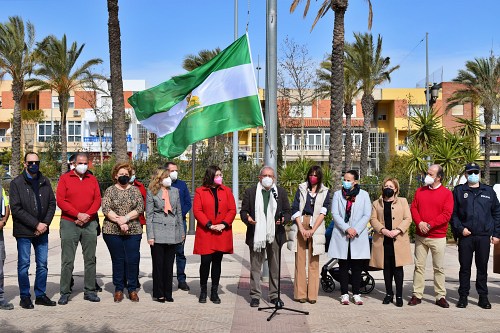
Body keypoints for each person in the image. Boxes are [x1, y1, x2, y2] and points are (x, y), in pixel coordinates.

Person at [9, 152, 57, 309]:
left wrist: (45, 224)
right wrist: (36, 224)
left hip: (43, 230)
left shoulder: (45, 181)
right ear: (24, 164)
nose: (34, 165)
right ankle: (25, 296)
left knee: (42, 264)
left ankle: (41, 295)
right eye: (30, 162)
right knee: (24, 265)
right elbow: (16, 208)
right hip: (24, 231)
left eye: (36, 162)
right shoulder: (16, 183)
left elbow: (51, 204)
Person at [240, 166, 291, 307]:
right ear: (260, 178)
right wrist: (248, 218)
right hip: (256, 234)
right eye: (265, 175)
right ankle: (255, 295)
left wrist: (283, 220)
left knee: (274, 267)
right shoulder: (251, 192)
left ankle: (274, 295)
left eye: (271, 176)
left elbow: (287, 212)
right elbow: (243, 212)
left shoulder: (280, 192)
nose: (268, 178)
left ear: (274, 178)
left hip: (275, 234)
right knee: (256, 267)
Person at [451, 163, 500, 309]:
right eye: (470, 172)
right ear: (465, 174)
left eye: (475, 172)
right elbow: (453, 214)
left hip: (483, 236)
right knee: (464, 268)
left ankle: (483, 297)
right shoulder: (459, 191)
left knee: (482, 268)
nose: (473, 174)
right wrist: (460, 229)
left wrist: (496, 233)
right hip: (466, 236)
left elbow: (497, 213)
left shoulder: (489, 191)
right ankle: (463, 296)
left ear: (479, 173)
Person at [56, 152, 101, 305]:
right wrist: (77, 214)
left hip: (89, 223)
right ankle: (65, 292)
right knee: (67, 260)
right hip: (69, 222)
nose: (83, 165)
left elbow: (97, 200)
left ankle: (90, 290)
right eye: (80, 163)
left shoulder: (92, 179)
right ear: (74, 164)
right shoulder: (65, 178)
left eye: (85, 163)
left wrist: (87, 215)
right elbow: (60, 200)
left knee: (90, 259)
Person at [409, 164, 453, 308]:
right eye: (427, 173)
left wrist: (429, 224)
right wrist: (419, 223)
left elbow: (446, 214)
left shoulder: (447, 193)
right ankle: (417, 294)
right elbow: (414, 208)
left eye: (431, 174)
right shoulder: (420, 191)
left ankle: (440, 296)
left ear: (439, 177)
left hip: (438, 236)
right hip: (421, 236)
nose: (427, 176)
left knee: (438, 268)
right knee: (419, 267)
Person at [102, 163, 144, 303]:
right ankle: (119, 288)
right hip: (112, 230)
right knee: (118, 259)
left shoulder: (135, 191)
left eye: (126, 174)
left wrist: (126, 219)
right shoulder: (110, 190)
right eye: (121, 174)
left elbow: (139, 208)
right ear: (115, 175)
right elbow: (106, 208)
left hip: (133, 229)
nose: (124, 176)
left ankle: (132, 288)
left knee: (132, 259)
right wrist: (120, 222)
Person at [193, 165, 236, 304]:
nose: (220, 177)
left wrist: (223, 224)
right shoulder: (200, 191)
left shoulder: (227, 191)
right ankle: (203, 290)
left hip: (221, 232)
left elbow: (232, 209)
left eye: (221, 175)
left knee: (217, 262)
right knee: (205, 262)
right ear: (211, 176)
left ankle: (214, 292)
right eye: (218, 175)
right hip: (206, 232)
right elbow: (197, 211)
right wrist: (209, 225)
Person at [288, 165, 330, 304]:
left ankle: (312, 295)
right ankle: (300, 294)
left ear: (319, 177)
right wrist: (301, 228)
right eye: (311, 174)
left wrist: (313, 230)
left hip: (316, 225)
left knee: (314, 261)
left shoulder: (325, 191)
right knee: (300, 261)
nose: (313, 177)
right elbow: (295, 208)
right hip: (301, 221)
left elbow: (324, 212)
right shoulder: (301, 188)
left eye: (316, 175)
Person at [328, 170, 371, 305]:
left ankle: (357, 294)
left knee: (357, 266)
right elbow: (335, 213)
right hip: (342, 234)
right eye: (344, 179)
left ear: (355, 182)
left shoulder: (364, 195)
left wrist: (355, 229)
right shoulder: (337, 195)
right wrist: (346, 228)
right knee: (343, 266)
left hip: (357, 235)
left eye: (348, 180)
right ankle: (344, 294)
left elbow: (366, 214)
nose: (345, 182)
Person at [369, 177, 412, 307]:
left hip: (398, 239)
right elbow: (373, 219)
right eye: (386, 186)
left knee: (398, 268)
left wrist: (397, 230)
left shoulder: (403, 202)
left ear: (396, 189)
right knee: (386, 268)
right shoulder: (377, 203)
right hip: (383, 240)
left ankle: (399, 295)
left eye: (391, 187)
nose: (388, 188)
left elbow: (408, 218)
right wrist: (383, 230)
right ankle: (389, 293)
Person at [146, 167, 185, 302]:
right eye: (166, 176)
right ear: (159, 179)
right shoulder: (152, 192)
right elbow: (149, 215)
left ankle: (168, 293)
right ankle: (159, 292)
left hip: (173, 231)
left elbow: (179, 213)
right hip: (157, 231)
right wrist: (150, 235)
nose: (169, 178)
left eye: (169, 176)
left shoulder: (175, 191)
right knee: (158, 265)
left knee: (169, 265)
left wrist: (182, 232)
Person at [166, 161, 192, 291]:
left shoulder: (182, 185)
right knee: (167, 253)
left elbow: (188, 202)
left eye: (176, 170)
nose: (174, 173)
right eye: (171, 170)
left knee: (180, 253)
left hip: (180, 223)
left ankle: (181, 279)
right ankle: (166, 279)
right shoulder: (162, 185)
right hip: (165, 224)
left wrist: (180, 214)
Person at [0, 184, 13, 310]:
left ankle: (0, 298)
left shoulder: (0, 189)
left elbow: (6, 206)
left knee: (0, 266)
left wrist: (3, 221)